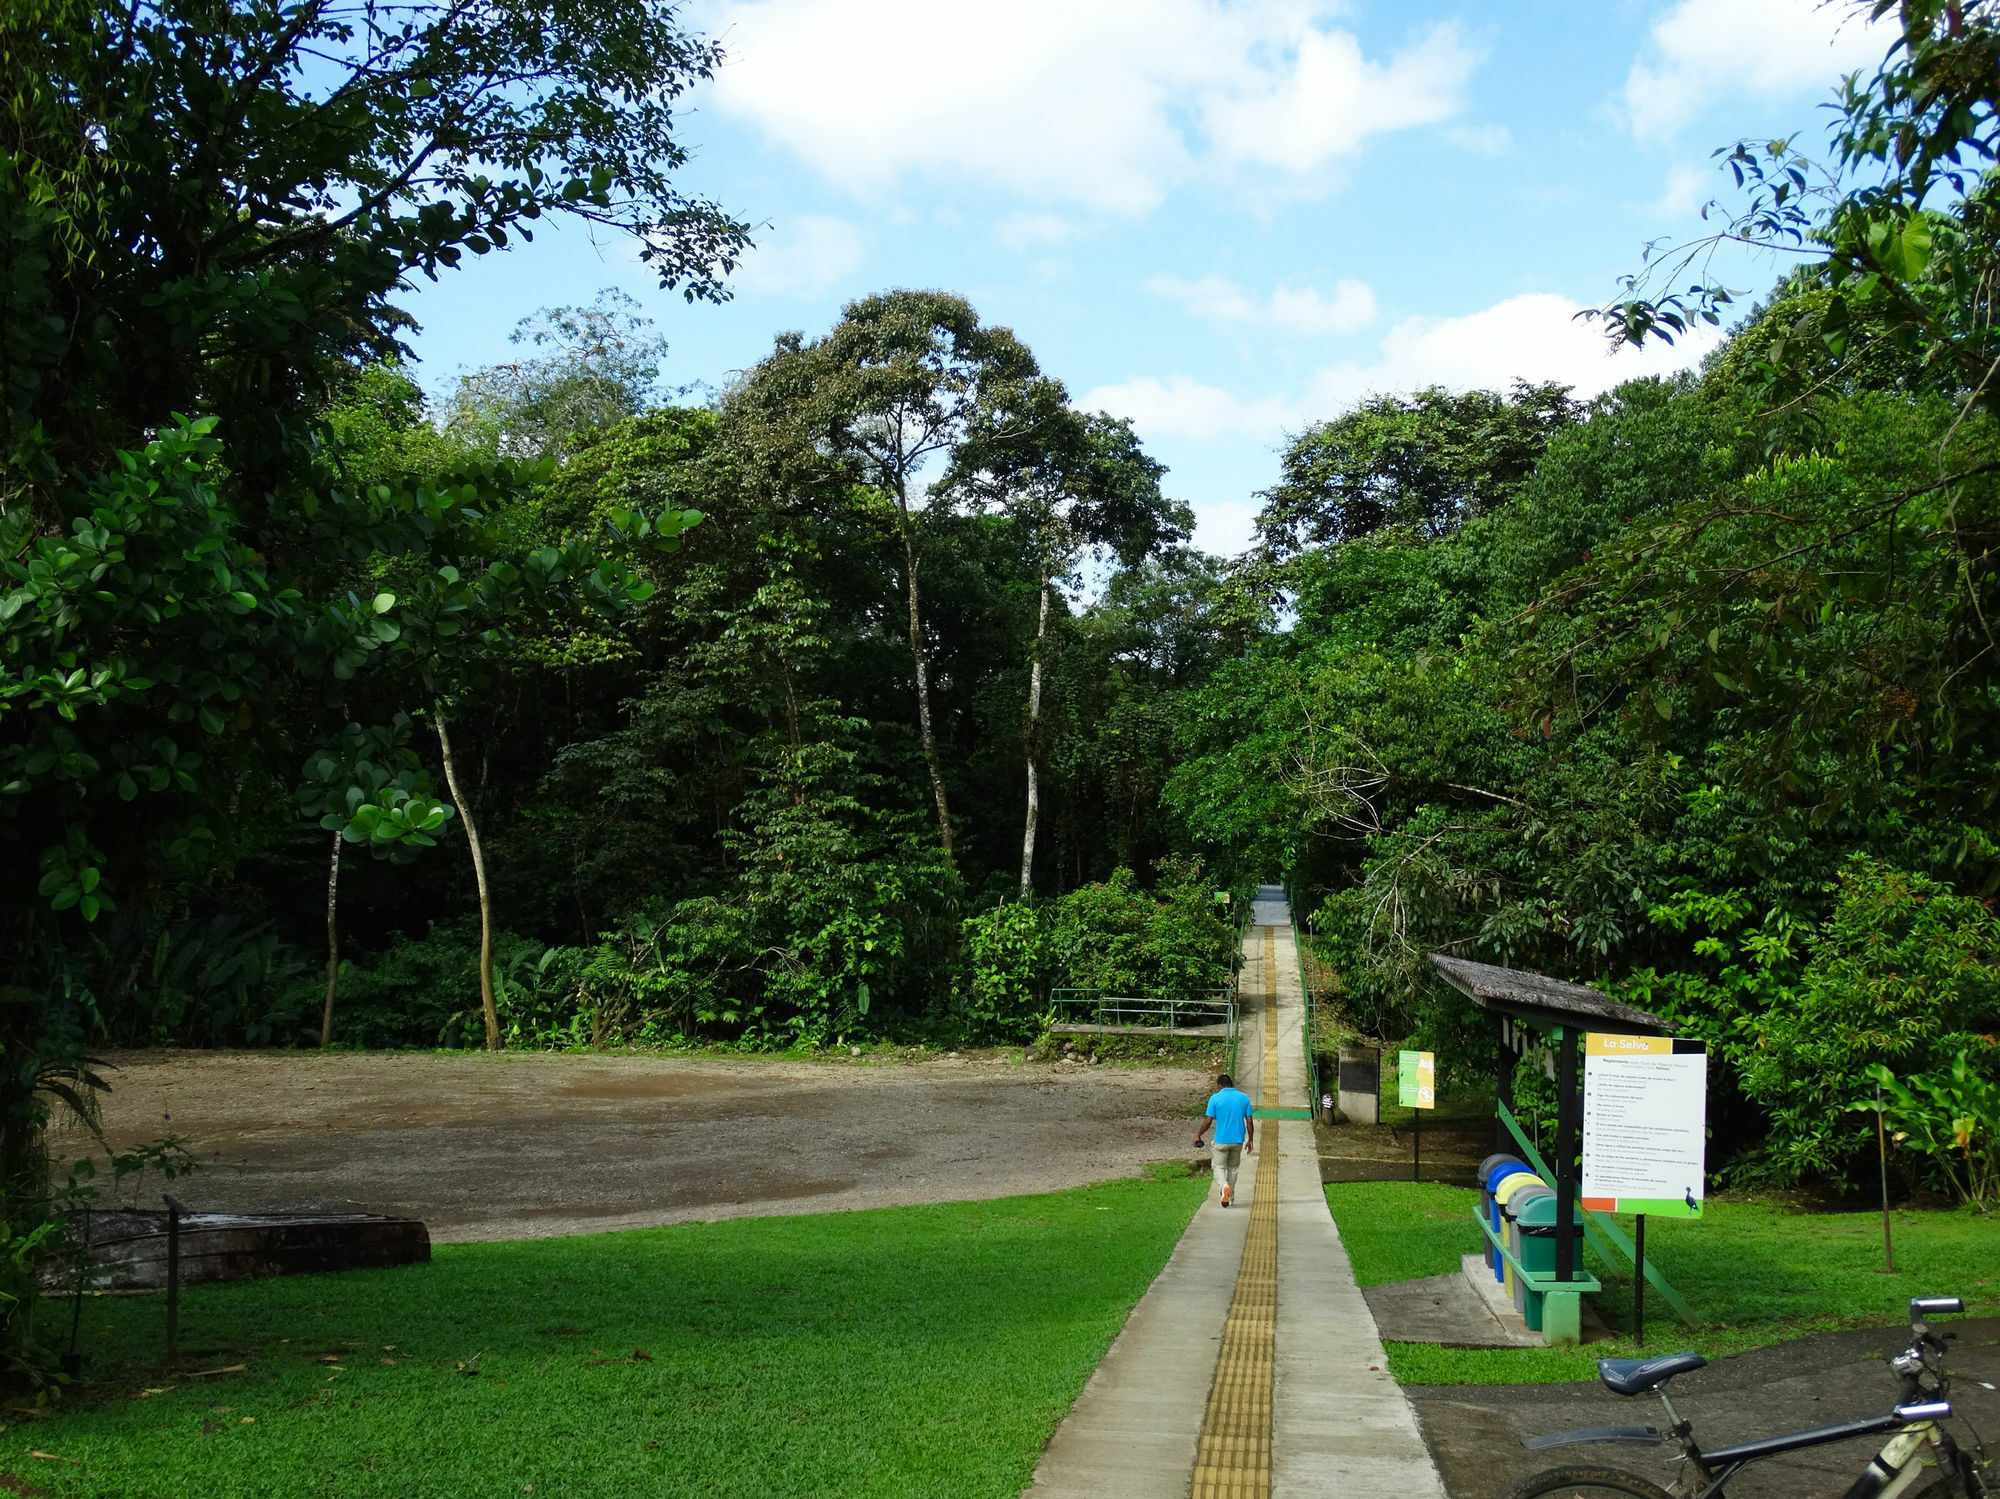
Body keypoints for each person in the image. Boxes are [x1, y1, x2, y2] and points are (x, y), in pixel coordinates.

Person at [1193, 1072, 1254, 1207]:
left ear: (1220, 1086)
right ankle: (1230, 1198)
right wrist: (1251, 1140)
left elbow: (1208, 1120)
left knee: (1218, 1166)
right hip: (1238, 1140)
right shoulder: (1243, 1098)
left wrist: (1199, 1135)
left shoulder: (1215, 1098)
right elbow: (1249, 1121)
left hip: (1221, 1141)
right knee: (1233, 1168)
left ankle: (1223, 1186)